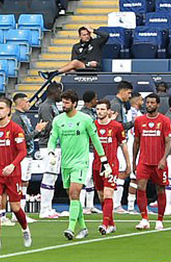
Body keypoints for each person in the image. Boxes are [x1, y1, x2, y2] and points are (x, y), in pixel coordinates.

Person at [47, 89, 111, 240]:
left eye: (67, 102)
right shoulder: (58, 120)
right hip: (65, 163)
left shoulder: (85, 119)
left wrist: (104, 160)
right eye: (63, 102)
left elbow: (95, 140)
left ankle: (70, 228)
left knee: (75, 194)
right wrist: (51, 152)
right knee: (72, 197)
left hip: (81, 163)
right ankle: (83, 227)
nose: (64, 105)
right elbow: (53, 138)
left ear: (74, 104)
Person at [0, 98, 31, 250]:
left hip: (13, 173)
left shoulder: (16, 129)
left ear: (9, 110)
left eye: (1, 108)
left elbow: (23, 151)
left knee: (16, 207)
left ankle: (25, 230)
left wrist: (12, 165)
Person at [133, 93, 171, 230]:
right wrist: (133, 161)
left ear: (158, 104)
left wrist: (163, 159)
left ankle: (160, 220)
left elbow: (169, 141)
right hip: (144, 162)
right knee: (140, 187)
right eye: (147, 102)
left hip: (159, 162)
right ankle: (144, 218)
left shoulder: (165, 121)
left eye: (152, 103)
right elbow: (136, 142)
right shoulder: (139, 121)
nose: (149, 105)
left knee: (161, 189)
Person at [93, 99, 130, 235]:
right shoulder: (93, 126)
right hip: (97, 165)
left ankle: (104, 224)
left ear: (109, 111)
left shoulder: (116, 126)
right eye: (97, 109)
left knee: (109, 193)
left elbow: (123, 145)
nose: (100, 112)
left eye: (102, 109)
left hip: (112, 165)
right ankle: (111, 223)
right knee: (102, 196)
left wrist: (128, 164)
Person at [11, 93, 47, 221]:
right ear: (20, 103)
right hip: (22, 155)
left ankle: (20, 212)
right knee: (21, 183)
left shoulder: (23, 117)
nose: (29, 104)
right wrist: (37, 131)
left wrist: (37, 132)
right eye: (26, 102)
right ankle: (18, 213)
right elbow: (21, 139)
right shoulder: (16, 118)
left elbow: (28, 137)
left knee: (24, 182)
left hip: (28, 153)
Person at [39, 26, 109, 80]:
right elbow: (73, 61)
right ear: (80, 36)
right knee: (70, 71)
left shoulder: (96, 42)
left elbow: (106, 36)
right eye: (84, 35)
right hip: (82, 68)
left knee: (75, 63)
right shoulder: (76, 46)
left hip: (94, 68)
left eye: (88, 34)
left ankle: (52, 74)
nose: (87, 36)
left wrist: (93, 30)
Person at [37, 82, 63, 219]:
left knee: (52, 176)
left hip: (55, 145)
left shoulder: (52, 106)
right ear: (53, 92)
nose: (60, 95)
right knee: (48, 175)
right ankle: (44, 209)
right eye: (59, 92)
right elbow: (48, 126)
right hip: (47, 145)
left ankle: (49, 207)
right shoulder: (46, 106)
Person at [122, 91, 143, 213]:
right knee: (129, 176)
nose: (142, 102)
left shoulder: (136, 114)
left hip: (135, 147)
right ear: (136, 101)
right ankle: (126, 205)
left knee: (136, 177)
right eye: (141, 100)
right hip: (130, 147)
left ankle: (130, 205)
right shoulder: (130, 114)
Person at [79, 90, 99, 215]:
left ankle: (90, 205)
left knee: (91, 178)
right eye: (95, 98)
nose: (96, 101)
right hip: (85, 149)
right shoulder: (82, 115)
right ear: (91, 99)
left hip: (93, 149)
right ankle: (80, 205)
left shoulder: (92, 113)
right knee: (85, 177)